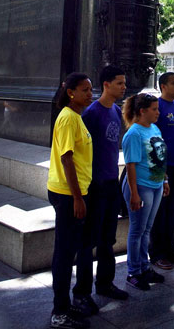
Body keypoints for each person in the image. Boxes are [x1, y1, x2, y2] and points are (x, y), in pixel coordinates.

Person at [72, 66, 128, 317]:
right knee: (87, 243)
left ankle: (105, 283)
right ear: (106, 85)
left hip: (111, 183)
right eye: (119, 83)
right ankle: (82, 293)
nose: (123, 87)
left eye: (124, 83)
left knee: (108, 239)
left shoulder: (117, 111)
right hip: (94, 187)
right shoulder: (91, 114)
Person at [47, 72, 93, 329]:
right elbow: (67, 159)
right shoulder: (67, 119)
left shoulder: (76, 117)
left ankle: (64, 303)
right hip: (66, 194)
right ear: (70, 92)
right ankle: (59, 311)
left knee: (69, 251)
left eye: (90, 89)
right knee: (64, 254)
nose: (90, 93)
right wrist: (77, 197)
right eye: (85, 89)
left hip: (75, 192)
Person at [121, 93, 170, 290]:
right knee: (137, 230)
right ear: (142, 111)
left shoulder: (155, 128)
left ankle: (144, 266)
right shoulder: (134, 133)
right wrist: (134, 193)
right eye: (154, 109)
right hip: (141, 186)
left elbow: (160, 155)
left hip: (156, 184)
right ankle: (133, 271)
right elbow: (130, 165)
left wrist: (164, 179)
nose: (158, 113)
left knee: (147, 229)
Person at [149, 72, 174, 269]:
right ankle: (156, 254)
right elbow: (153, 139)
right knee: (160, 212)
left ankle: (170, 249)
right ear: (163, 86)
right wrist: (161, 170)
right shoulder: (157, 107)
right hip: (161, 169)